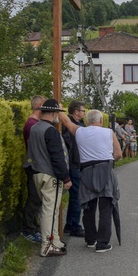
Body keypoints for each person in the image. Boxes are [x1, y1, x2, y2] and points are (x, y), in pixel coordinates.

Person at [60, 109, 123, 253]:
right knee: (106, 208)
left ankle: (90, 239)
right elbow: (118, 154)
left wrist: (59, 108)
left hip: (86, 171)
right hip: (105, 170)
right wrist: (110, 162)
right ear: (101, 120)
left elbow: (66, 121)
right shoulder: (109, 132)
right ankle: (102, 243)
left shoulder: (80, 131)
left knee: (88, 207)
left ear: (87, 121)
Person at [23, 99, 72, 257]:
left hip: (37, 172)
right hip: (50, 175)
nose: (58, 116)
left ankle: (55, 241)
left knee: (50, 209)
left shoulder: (35, 127)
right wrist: (65, 178)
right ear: (53, 113)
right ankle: (47, 245)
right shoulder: (50, 131)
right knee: (50, 211)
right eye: (57, 113)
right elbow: (57, 157)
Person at [21, 95, 45, 243]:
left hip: (37, 165)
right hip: (34, 166)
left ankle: (33, 228)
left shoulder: (35, 123)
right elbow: (33, 146)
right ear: (40, 106)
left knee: (37, 199)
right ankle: (28, 230)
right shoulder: (31, 125)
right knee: (34, 199)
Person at [61, 100, 86, 238]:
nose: (84, 113)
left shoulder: (79, 124)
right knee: (77, 196)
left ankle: (70, 224)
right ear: (76, 112)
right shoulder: (70, 126)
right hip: (74, 164)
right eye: (83, 111)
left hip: (77, 163)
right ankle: (75, 226)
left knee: (75, 196)